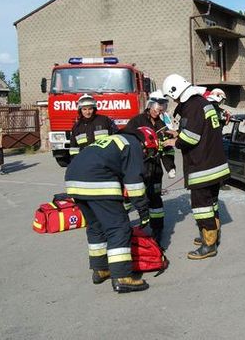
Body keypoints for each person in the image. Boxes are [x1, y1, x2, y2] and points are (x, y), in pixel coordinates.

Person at [65, 126, 159, 293]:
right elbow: (134, 183)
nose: (146, 156)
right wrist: (144, 211)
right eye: (148, 152)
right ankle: (122, 277)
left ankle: (101, 269)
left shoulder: (112, 140)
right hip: (97, 180)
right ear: (145, 143)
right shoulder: (133, 145)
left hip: (73, 179)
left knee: (96, 227)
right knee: (119, 228)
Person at [161, 74, 230, 260]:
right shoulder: (202, 102)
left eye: (172, 96)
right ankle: (212, 236)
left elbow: (191, 138)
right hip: (215, 164)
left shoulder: (192, 106)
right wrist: (178, 131)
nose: (173, 100)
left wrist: (173, 141)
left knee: (202, 207)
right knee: (212, 203)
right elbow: (202, 129)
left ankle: (209, 245)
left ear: (176, 92)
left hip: (202, 167)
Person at [124, 92, 169, 249]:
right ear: (150, 105)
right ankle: (122, 228)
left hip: (155, 169)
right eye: (157, 106)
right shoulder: (136, 121)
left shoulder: (161, 124)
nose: (160, 110)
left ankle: (157, 230)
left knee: (155, 199)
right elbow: (126, 141)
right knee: (129, 199)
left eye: (163, 107)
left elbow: (167, 147)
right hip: (138, 167)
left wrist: (171, 167)